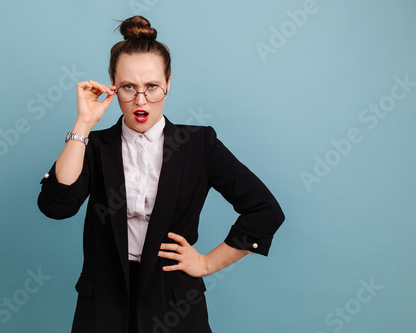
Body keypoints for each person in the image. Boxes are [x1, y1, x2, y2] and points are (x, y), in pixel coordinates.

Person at [38, 15, 285, 333]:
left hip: (175, 305)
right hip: (102, 308)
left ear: (168, 83)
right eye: (128, 87)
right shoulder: (96, 146)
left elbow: (265, 211)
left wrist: (207, 263)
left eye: (152, 86)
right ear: (113, 87)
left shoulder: (199, 144)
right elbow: (57, 206)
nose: (141, 101)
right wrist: (83, 125)